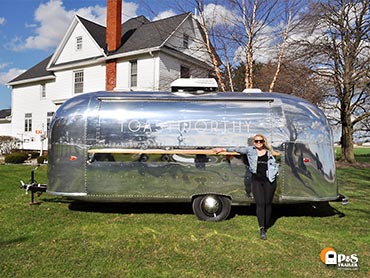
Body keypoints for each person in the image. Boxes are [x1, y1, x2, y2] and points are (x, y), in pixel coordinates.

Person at [213, 134, 279, 240]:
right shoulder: (250, 150)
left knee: (267, 203)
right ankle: (262, 228)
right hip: (256, 180)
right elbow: (237, 149)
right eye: (256, 141)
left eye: (260, 141)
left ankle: (266, 224)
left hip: (269, 180)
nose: (258, 143)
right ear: (253, 142)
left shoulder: (269, 152)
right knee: (260, 203)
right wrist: (222, 149)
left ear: (263, 142)